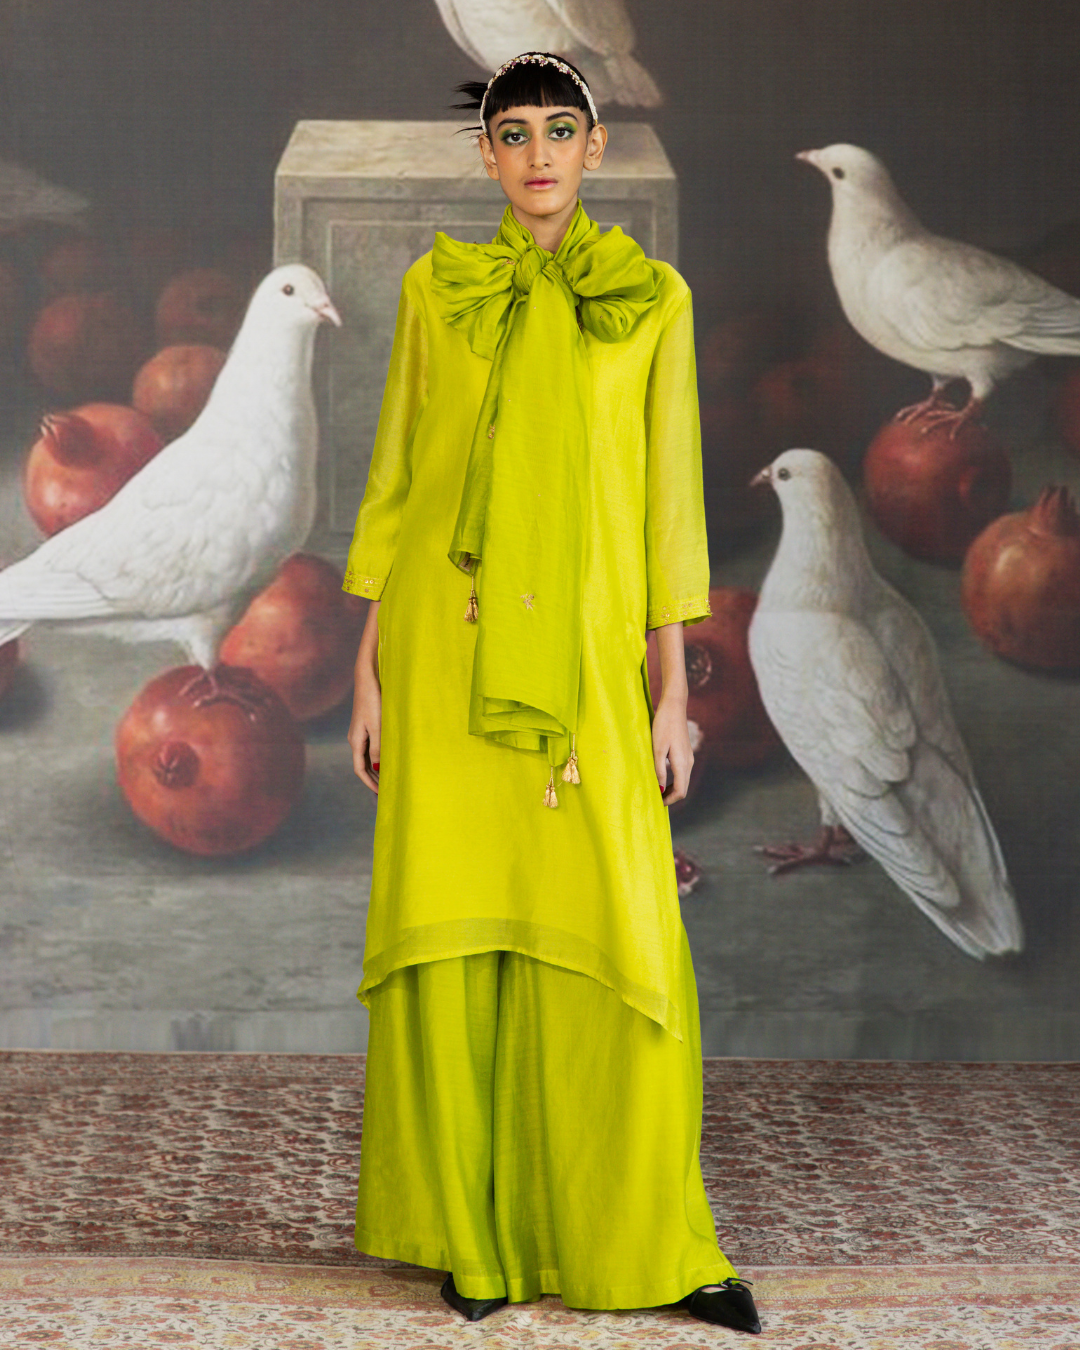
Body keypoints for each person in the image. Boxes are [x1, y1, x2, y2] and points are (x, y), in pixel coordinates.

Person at [343, 51, 760, 1335]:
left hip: (585, 650)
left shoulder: (651, 302)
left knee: (625, 931)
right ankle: (475, 1244)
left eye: (559, 130)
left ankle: (652, 1243)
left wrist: (672, 691)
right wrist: (366, 664)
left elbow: (668, 503)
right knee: (462, 926)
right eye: (513, 133)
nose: (536, 154)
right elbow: (399, 477)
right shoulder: (437, 292)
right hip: (445, 644)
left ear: (595, 149)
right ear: (486, 155)